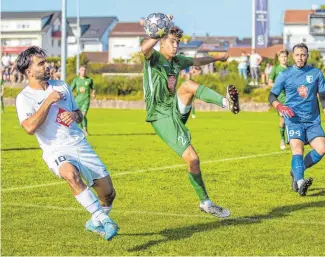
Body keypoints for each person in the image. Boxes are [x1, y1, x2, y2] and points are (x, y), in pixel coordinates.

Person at [15, 46, 118, 240]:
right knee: (71, 174)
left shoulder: (61, 85)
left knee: (108, 194)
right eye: (41, 63)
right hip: (55, 149)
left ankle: (95, 222)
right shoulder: (24, 98)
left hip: (79, 144)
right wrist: (48, 101)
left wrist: (74, 115)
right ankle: (102, 220)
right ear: (29, 71)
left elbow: (78, 114)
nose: (48, 66)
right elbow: (29, 128)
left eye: (46, 62)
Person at [141, 19, 240, 218]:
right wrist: (157, 33)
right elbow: (144, 49)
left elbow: (197, 61)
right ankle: (206, 202)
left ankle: (225, 103)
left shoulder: (177, 61)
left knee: (188, 85)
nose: (176, 45)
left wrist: (218, 57)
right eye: (172, 42)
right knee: (193, 159)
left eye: (178, 42)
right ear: (161, 42)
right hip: (160, 116)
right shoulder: (153, 58)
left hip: (174, 110)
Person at [269, 43, 325, 196]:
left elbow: (323, 97)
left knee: (322, 148)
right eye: (297, 55)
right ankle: (300, 183)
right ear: (293, 56)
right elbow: (272, 96)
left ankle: (297, 171)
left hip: (312, 121)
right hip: (293, 120)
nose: (300, 57)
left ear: (307, 56)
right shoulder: (285, 75)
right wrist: (279, 106)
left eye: (303, 55)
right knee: (297, 149)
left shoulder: (316, 73)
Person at [268, 49, 290, 150]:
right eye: (282, 57)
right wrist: (279, 86)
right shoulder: (275, 69)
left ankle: (291, 138)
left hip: (291, 98)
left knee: (292, 119)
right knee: (283, 120)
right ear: (279, 58)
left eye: (285, 56)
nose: (284, 58)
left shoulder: (291, 69)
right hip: (280, 99)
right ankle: (282, 139)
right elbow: (270, 82)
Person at [70, 66, 96, 136]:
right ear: (79, 71)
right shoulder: (76, 80)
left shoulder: (89, 80)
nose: (83, 72)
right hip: (77, 100)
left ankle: (84, 129)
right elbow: (70, 89)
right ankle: (82, 129)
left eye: (84, 70)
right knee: (78, 117)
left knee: (83, 115)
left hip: (86, 100)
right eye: (82, 70)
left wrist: (93, 94)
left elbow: (93, 88)